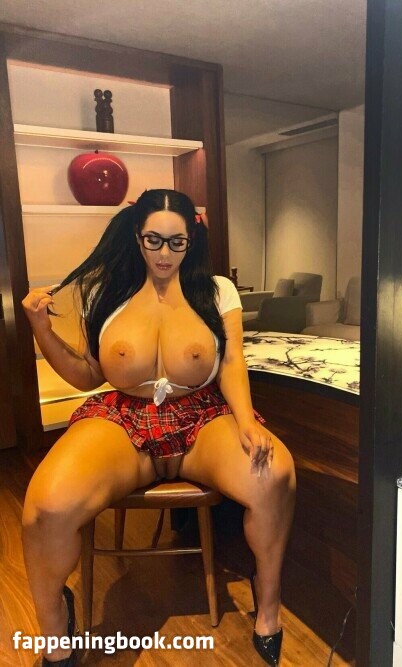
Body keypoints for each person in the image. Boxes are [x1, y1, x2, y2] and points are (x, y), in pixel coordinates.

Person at [21, 188, 296, 666]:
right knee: (46, 507)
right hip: (123, 419)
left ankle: (268, 606)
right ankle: (55, 631)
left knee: (274, 475)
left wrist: (246, 420)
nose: (165, 253)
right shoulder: (106, 292)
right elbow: (87, 375)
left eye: (177, 242)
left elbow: (232, 361)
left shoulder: (216, 291)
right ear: (137, 235)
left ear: (192, 239)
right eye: (154, 240)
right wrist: (41, 330)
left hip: (201, 416)